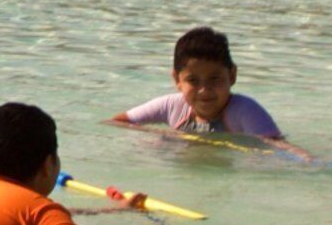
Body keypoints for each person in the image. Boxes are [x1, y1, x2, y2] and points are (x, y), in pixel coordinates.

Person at [112, 26, 310, 158]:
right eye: (193, 80)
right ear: (177, 80)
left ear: (232, 76)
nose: (204, 90)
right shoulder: (171, 105)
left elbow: (278, 147)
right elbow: (117, 123)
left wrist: (310, 161)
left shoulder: (244, 111)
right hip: (186, 168)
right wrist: (158, 137)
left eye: (215, 79)